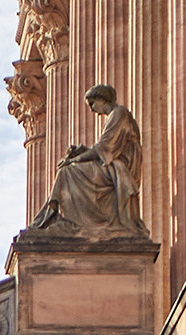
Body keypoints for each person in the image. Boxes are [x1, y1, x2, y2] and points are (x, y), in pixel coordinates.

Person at [30, 81, 148, 238]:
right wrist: (82, 152)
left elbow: (104, 148)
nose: (93, 110)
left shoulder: (119, 113)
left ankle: (63, 218)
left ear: (101, 99)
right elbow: (106, 147)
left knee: (67, 172)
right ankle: (59, 215)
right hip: (111, 165)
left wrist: (76, 159)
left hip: (119, 169)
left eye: (92, 104)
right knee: (68, 171)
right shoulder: (114, 116)